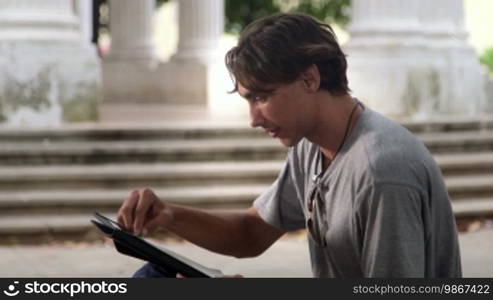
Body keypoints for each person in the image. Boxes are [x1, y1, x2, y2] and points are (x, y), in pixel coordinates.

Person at [117, 13, 462, 278]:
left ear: (310, 79)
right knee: (154, 276)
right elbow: (250, 234)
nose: (253, 118)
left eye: (262, 97)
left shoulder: (382, 172)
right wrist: (170, 216)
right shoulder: (311, 148)